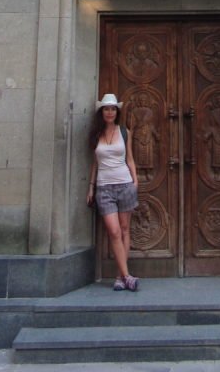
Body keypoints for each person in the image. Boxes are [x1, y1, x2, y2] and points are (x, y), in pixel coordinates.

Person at [87, 92, 140, 291]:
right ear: (101, 112)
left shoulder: (125, 132)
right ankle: (128, 276)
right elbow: (95, 162)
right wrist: (91, 187)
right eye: (106, 109)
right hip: (104, 188)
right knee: (114, 231)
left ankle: (120, 277)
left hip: (125, 184)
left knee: (125, 230)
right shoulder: (96, 135)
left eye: (112, 109)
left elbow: (130, 158)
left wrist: (135, 180)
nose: (109, 112)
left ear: (117, 112)